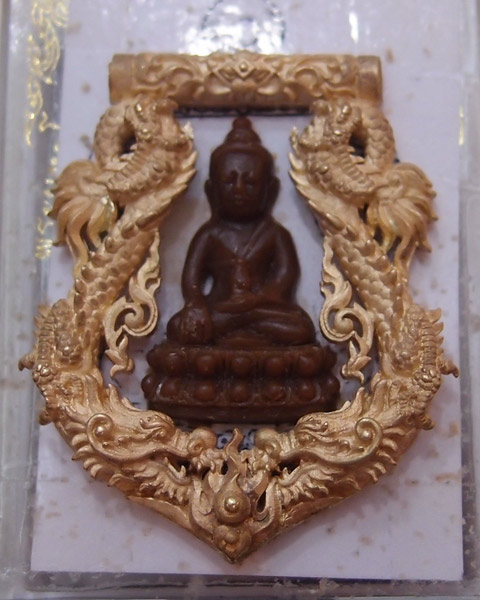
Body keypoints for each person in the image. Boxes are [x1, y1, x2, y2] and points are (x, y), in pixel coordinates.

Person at [166, 117, 316, 348]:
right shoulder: (209, 235)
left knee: (301, 328)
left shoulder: (276, 235)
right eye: (228, 181)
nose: (238, 189)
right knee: (178, 327)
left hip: (262, 309)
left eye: (250, 182)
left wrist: (256, 301)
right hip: (220, 310)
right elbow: (191, 279)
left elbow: (285, 277)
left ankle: (243, 325)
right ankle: (244, 328)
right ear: (212, 190)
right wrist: (195, 303)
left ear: (270, 190)